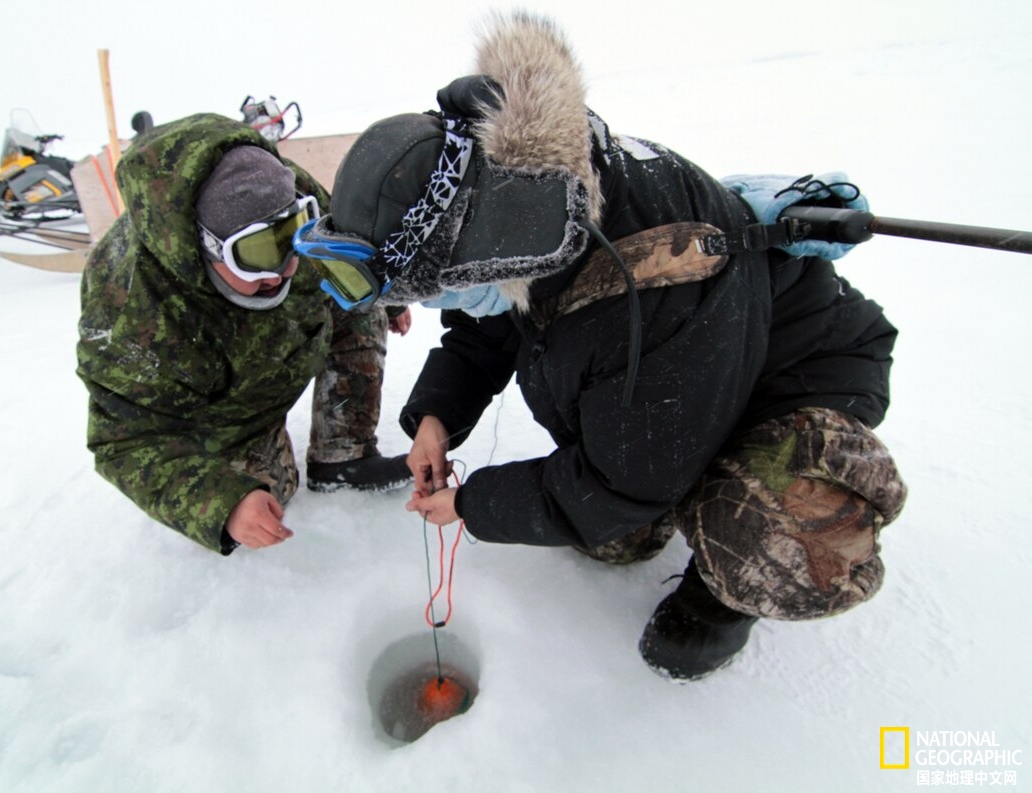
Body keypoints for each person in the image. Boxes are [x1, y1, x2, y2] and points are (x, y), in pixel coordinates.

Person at [293, 12, 907, 680]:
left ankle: (730, 583)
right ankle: (688, 481)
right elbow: (490, 315)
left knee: (755, 536)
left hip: (792, 379)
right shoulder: (522, 210)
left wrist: (471, 504)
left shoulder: (639, 291)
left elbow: (621, 484)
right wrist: (437, 414)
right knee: (615, 538)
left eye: (434, 293)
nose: (437, 308)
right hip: (679, 388)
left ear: (484, 254)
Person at [76, 112, 412, 555]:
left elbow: (345, 255)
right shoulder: (129, 308)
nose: (282, 271)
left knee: (359, 302)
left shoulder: (287, 191)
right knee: (271, 497)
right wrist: (222, 502)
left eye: (291, 241)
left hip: (293, 342)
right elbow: (124, 440)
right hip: (224, 410)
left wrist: (390, 298)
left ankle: (343, 454)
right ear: (203, 246)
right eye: (253, 254)